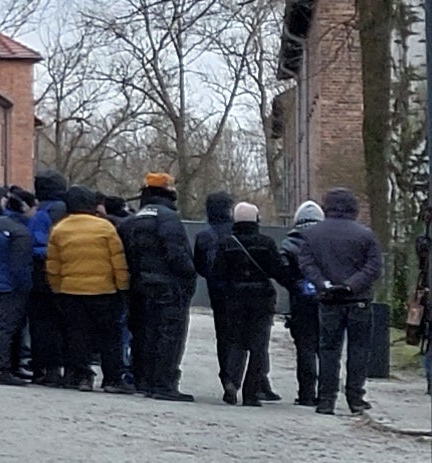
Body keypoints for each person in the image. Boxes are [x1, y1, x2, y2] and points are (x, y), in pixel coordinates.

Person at [291, 187, 384, 413]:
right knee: (358, 349)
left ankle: (326, 399)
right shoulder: (365, 235)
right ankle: (355, 398)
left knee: (328, 349)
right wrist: (352, 285)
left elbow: (306, 263)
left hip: (328, 300)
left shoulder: (313, 235)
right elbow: (373, 267)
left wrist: (324, 283)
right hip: (358, 299)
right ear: (354, 208)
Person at [39, 186, 130, 388]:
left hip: (71, 290)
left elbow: (53, 265)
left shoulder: (59, 229)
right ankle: (112, 379)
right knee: (110, 336)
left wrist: (57, 288)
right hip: (104, 290)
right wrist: (122, 286)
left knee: (76, 335)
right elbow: (118, 261)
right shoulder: (105, 228)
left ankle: (79, 376)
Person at [119, 173, 198, 399]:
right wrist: (188, 277)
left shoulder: (132, 220)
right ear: (168, 194)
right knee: (169, 335)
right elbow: (177, 255)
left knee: (143, 333)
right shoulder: (168, 218)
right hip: (168, 287)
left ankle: (143, 381)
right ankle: (163, 385)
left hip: (138, 287)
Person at [208, 198, 286, 403]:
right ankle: (252, 392)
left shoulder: (226, 243)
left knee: (236, 342)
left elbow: (217, 274)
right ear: (256, 220)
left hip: (234, 298)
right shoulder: (266, 243)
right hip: (262, 298)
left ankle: (231, 382)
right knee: (258, 345)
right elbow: (277, 270)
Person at [0, 187, 37, 384]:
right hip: (12, 286)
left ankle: (5, 366)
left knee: (1, 325)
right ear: (25, 208)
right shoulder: (22, 233)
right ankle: (1, 368)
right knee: (8, 327)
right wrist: (26, 286)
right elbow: (20, 266)